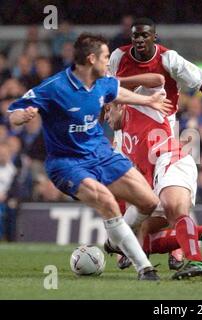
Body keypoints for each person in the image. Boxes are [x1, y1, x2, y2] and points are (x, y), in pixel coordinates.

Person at [7, 33, 173, 281]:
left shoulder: (102, 80)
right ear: (91, 58)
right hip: (67, 163)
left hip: (101, 154)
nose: (109, 61)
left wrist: (149, 100)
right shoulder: (55, 87)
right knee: (106, 200)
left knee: (149, 203)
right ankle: (144, 268)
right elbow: (14, 112)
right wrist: (22, 116)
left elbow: (116, 92)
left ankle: (116, 239)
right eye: (106, 56)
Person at [103, 75, 202, 280]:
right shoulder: (123, 142)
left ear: (121, 105)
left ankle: (195, 260)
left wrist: (119, 82)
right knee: (144, 232)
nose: (106, 117)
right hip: (157, 177)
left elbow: (157, 78)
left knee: (175, 211)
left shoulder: (139, 109)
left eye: (109, 109)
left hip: (172, 160)